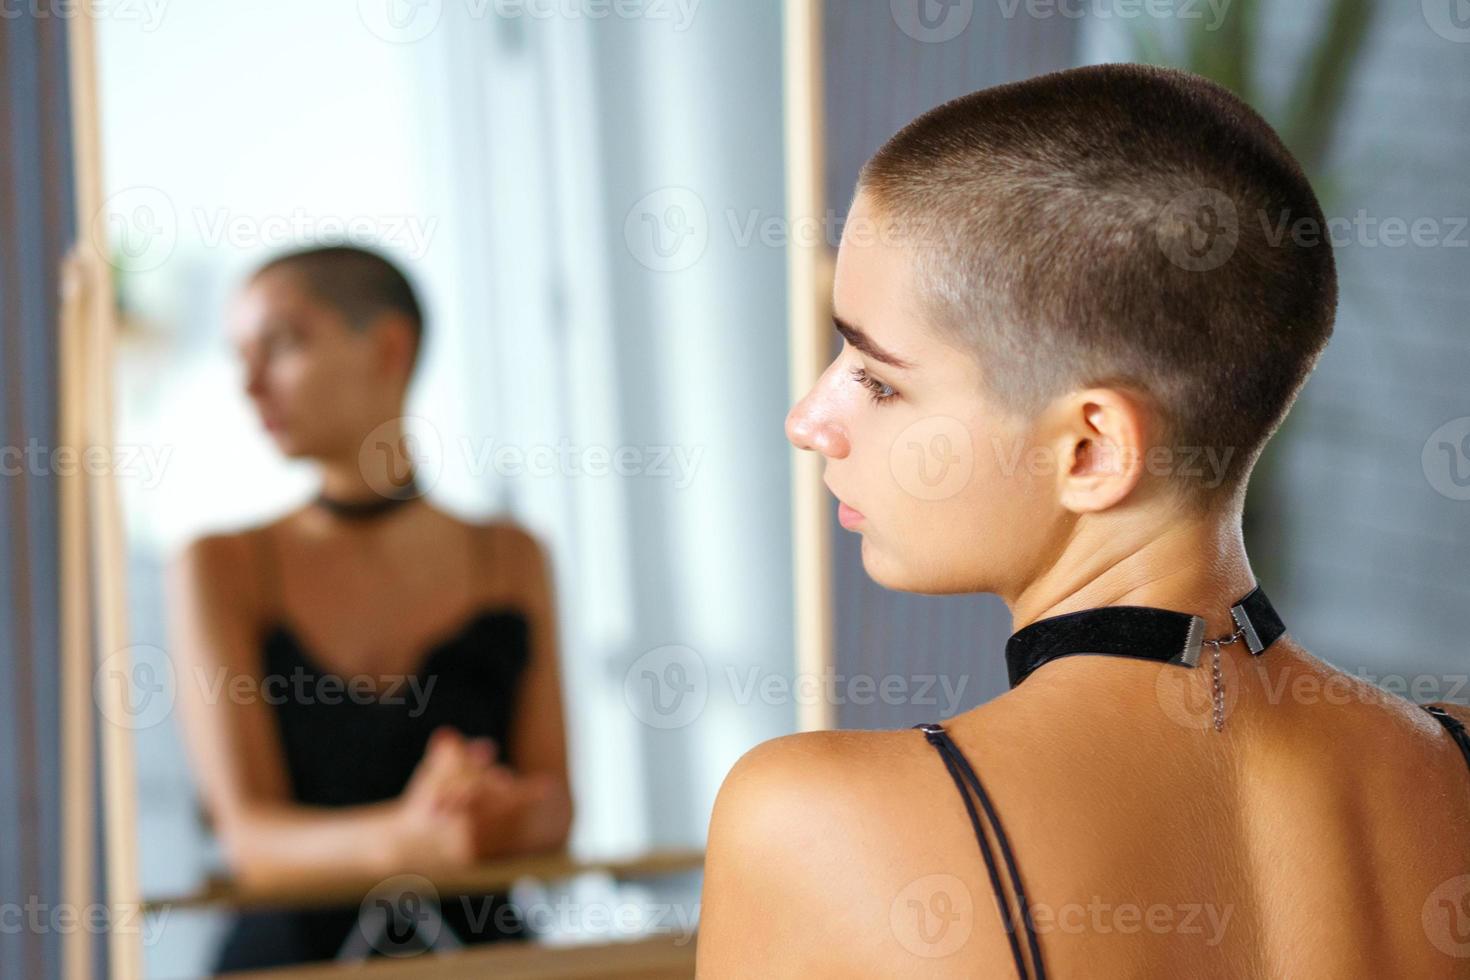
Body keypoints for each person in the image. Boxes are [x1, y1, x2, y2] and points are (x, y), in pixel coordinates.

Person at [697, 64, 1470, 977]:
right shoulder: (1451, 771)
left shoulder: (812, 819)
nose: (810, 420)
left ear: (1093, 449)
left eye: (877, 378)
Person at [165, 245, 574, 971]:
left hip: (483, 963)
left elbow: (557, 810)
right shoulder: (222, 567)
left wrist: (496, 810)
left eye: (282, 345)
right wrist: (411, 838)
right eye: (240, 356)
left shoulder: (511, 558)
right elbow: (248, 840)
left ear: (389, 347)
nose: (250, 385)